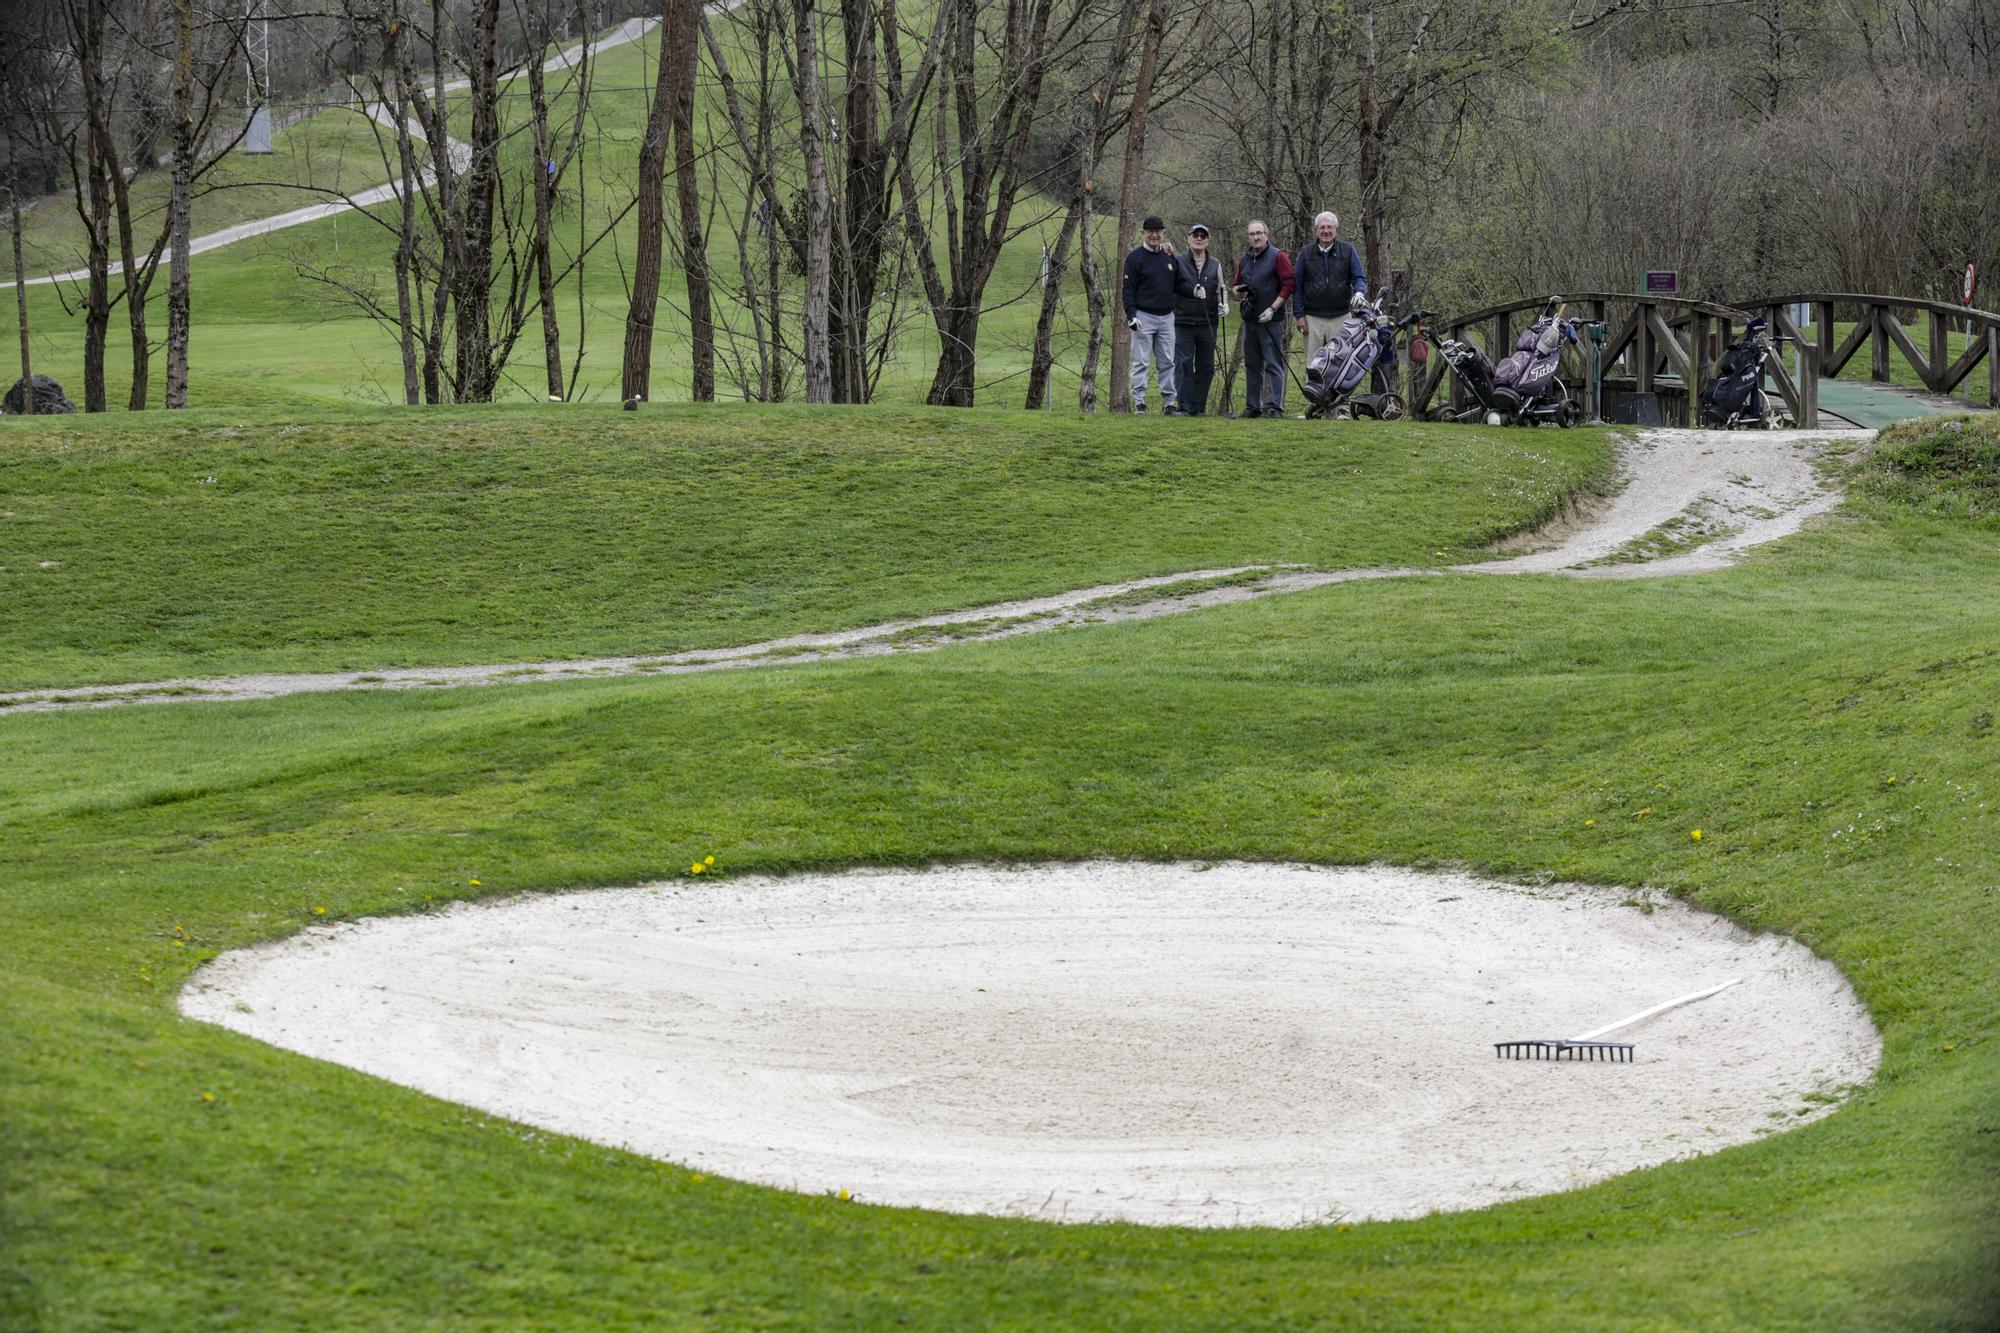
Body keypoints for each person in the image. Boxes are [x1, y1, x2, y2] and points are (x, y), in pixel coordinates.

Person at [1122, 214, 1195, 415]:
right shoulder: (1135, 258)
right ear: (1143, 233)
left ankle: (1169, 403)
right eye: (1150, 231)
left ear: (1163, 233)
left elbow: (1179, 284)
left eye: (1158, 231)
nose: (1154, 235)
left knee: (1167, 361)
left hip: (1167, 317)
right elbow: (1128, 290)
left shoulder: (1168, 256)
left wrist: (1193, 291)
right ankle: (1139, 403)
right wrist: (1132, 315)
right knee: (1141, 361)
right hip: (1143, 316)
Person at [1232, 219, 1294, 418]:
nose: (1255, 237)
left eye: (1259, 233)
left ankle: (1274, 407)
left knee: (1273, 364)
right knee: (1252, 364)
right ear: (1248, 237)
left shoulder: (1278, 256)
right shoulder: (1246, 259)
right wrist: (1238, 291)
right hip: (1250, 320)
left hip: (1271, 321)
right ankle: (1253, 407)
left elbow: (1289, 284)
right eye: (1252, 234)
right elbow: (1236, 284)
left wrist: (1273, 308)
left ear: (1267, 235)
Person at [1172, 223, 1228, 416]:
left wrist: (1224, 304)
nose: (1199, 238)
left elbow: (1221, 287)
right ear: (1188, 239)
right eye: (1195, 235)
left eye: (1203, 236)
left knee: (1206, 366)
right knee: (1184, 364)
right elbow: (1172, 287)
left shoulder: (1215, 263)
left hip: (1208, 321)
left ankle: (1199, 407)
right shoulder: (1178, 261)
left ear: (1208, 241)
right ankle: (1184, 406)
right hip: (1183, 321)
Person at [1292, 211, 1367, 353]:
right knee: (1314, 365)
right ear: (1316, 231)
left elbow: (1359, 278)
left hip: (1341, 317)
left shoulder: (1348, 251)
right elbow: (1297, 286)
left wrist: (1359, 293)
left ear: (1336, 230)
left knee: (1340, 363)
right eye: (1322, 227)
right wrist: (1299, 315)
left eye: (1330, 227)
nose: (1326, 231)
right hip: (1312, 319)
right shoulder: (1306, 253)